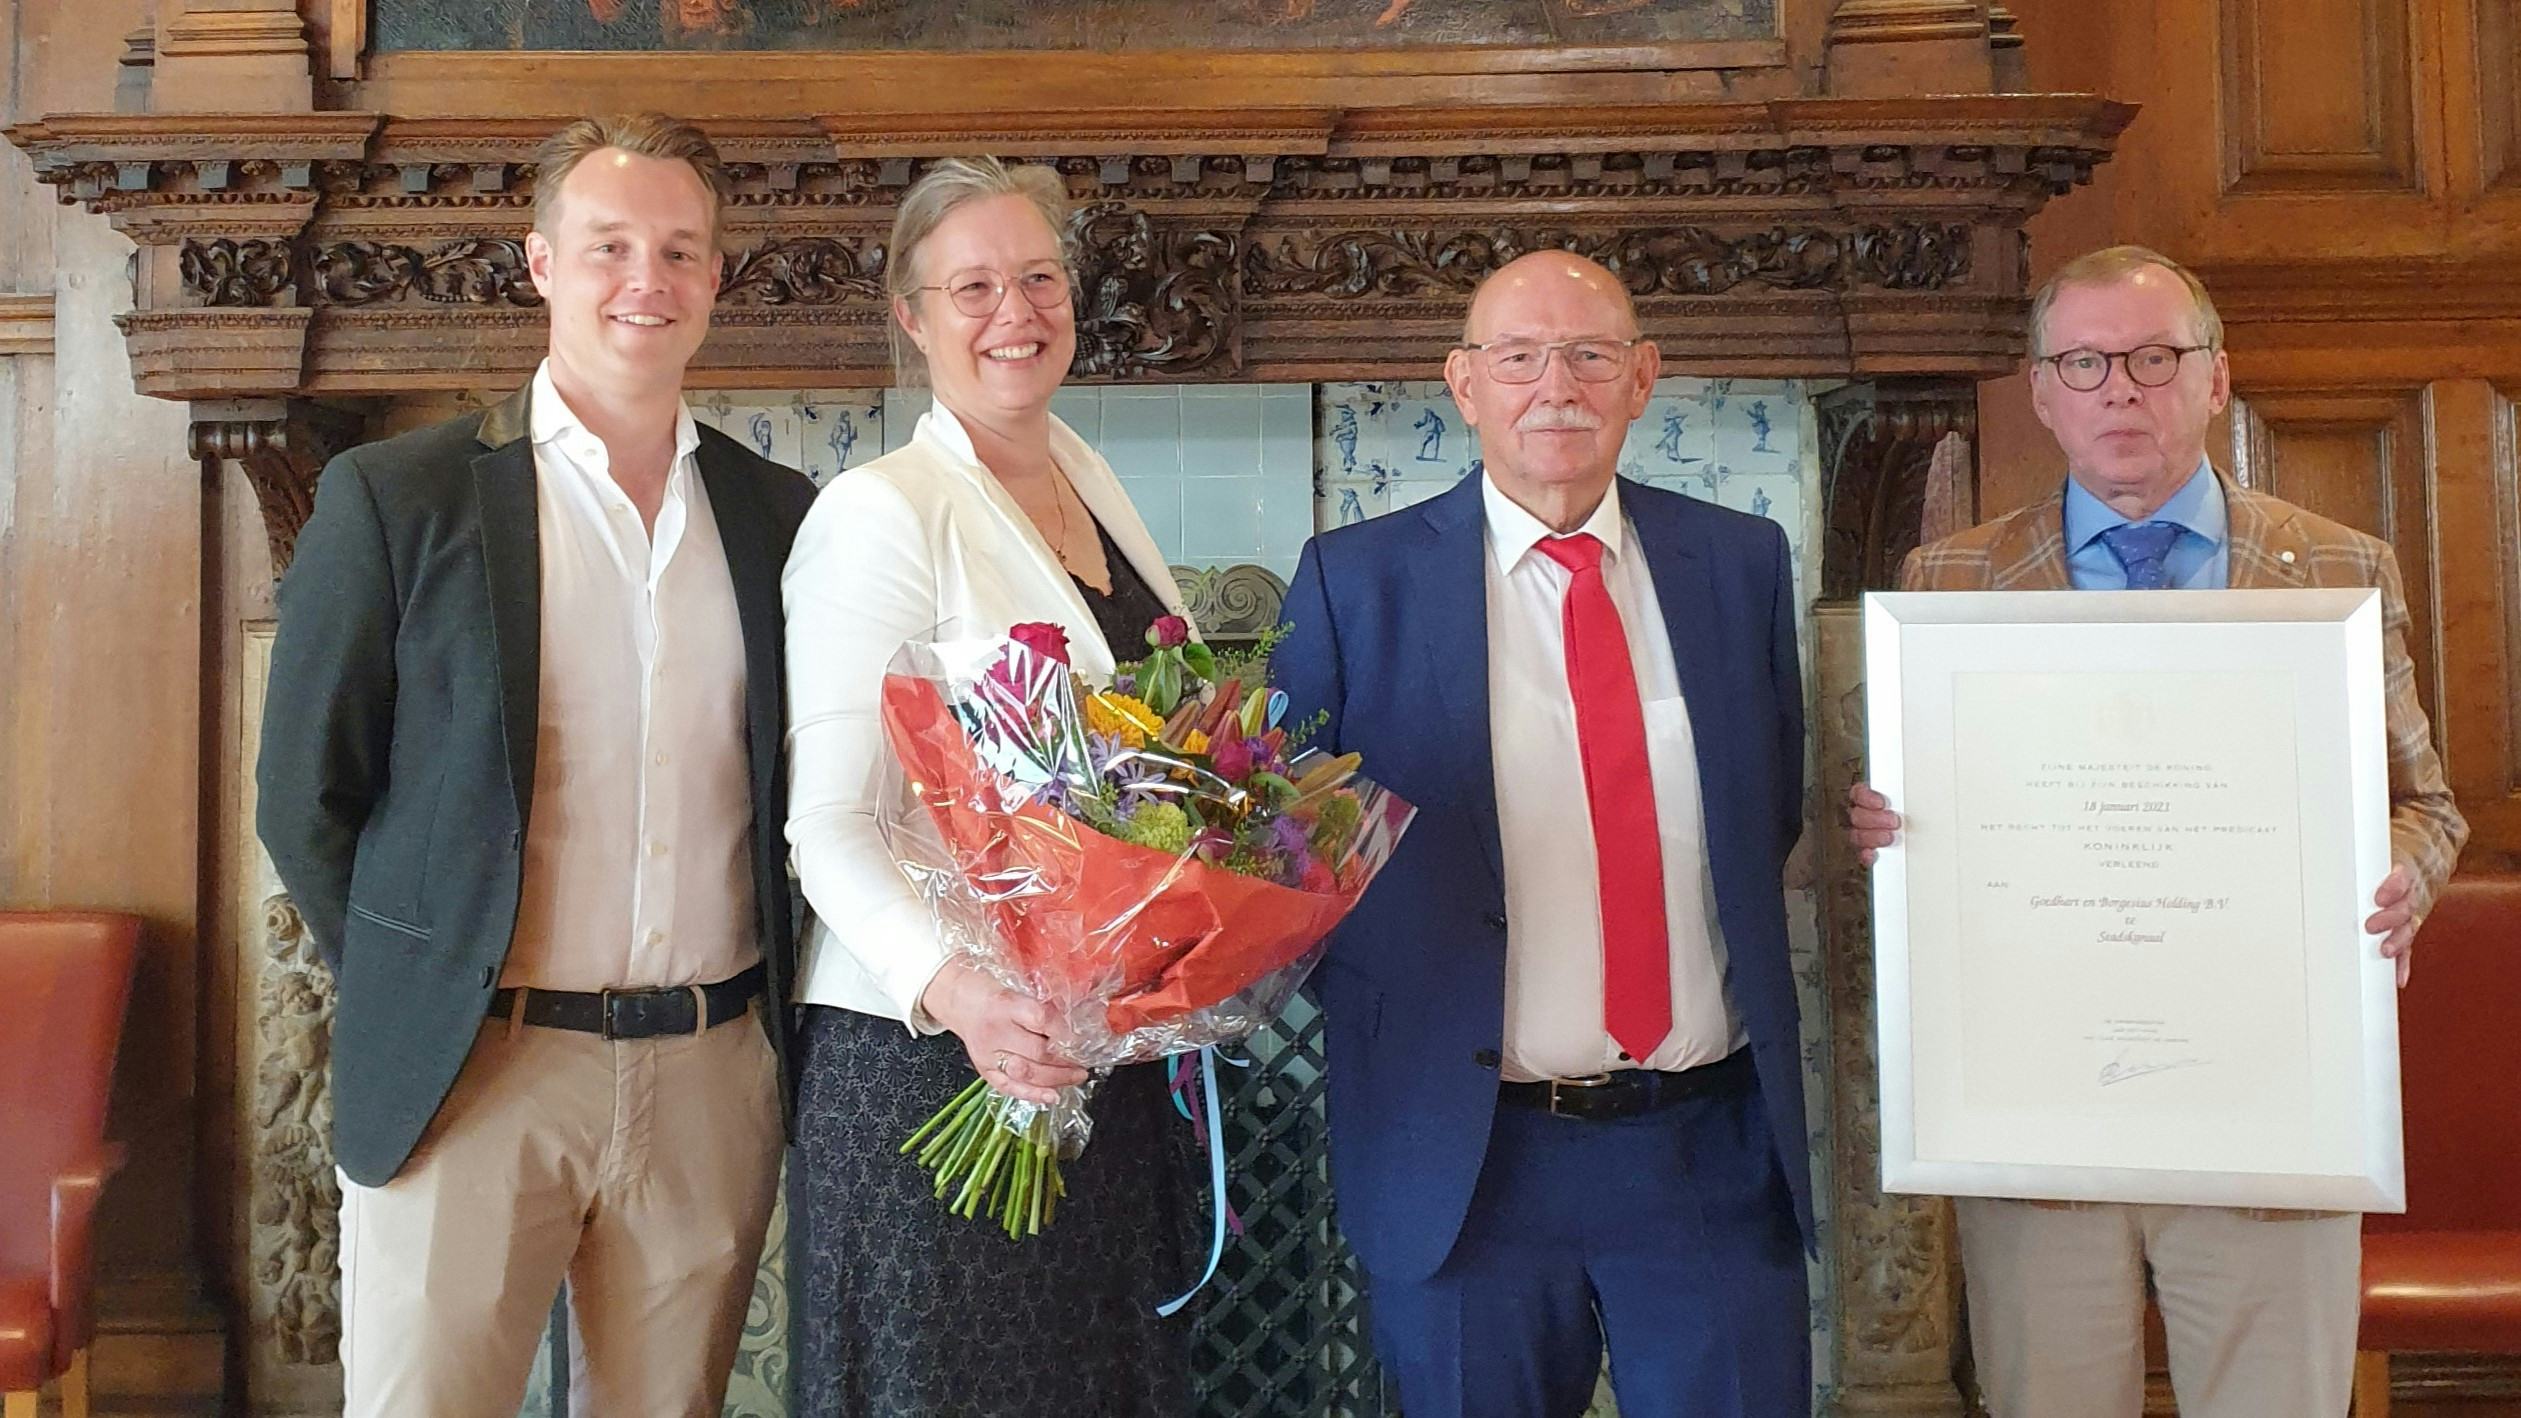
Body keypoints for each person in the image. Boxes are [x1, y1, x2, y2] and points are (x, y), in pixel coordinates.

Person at [1845, 244, 2470, 1418]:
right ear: (2040, 391)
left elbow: (2426, 805)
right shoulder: (1954, 583)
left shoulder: (2334, 568)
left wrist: (2398, 868)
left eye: (2151, 357)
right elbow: (1903, 829)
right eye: (2083, 361)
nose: (2118, 388)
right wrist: (1889, 832)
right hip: (2036, 1114)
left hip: (2272, 1100)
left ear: (2215, 378)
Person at [255, 112, 816, 1416]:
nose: (647, 279)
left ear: (716, 278)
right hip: (475, 1067)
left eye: (680, 250)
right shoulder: (401, 498)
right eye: (610, 243)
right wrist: (432, 974)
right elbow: (305, 795)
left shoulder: (781, 517)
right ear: (540, 262)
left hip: (708, 1067)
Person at [1274, 251, 1815, 1418]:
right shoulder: (1351, 586)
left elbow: (1771, 812)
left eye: (1588, 354)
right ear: (1465, 386)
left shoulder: (1739, 564)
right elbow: (1285, 870)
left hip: (1707, 1147)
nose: (1553, 385)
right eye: (1518, 357)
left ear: (1642, 378)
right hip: (1470, 1164)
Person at [781, 155, 1199, 1416]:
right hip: (933, 1064)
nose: (1013, 311)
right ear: (912, 318)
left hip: (1092, 1057)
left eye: (1037, 277)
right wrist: (968, 997)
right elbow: (829, 824)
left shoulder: (1090, 482)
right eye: (972, 286)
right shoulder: (882, 511)